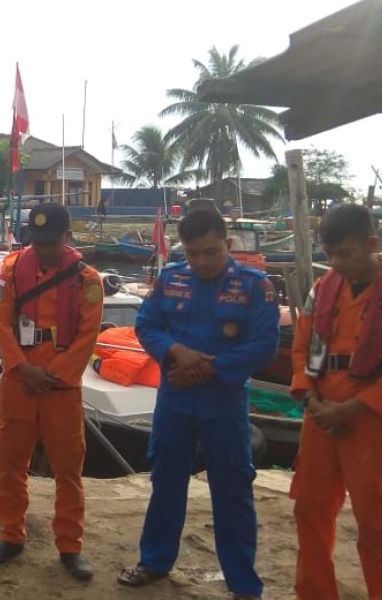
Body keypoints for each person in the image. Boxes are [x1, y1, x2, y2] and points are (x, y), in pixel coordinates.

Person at [118, 207, 279, 600]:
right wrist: (175, 351)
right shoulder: (171, 280)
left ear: (229, 243)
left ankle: (243, 584)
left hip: (223, 399)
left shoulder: (255, 286)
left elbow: (264, 345)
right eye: (193, 253)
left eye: (211, 251)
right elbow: (147, 325)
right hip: (175, 396)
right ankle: (154, 561)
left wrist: (208, 368)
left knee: (233, 487)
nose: (202, 261)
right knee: (166, 479)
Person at [289, 204, 382, 600]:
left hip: (374, 421)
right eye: (330, 254)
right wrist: (312, 398)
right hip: (320, 414)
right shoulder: (324, 288)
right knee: (310, 509)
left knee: (381, 524)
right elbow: (304, 345)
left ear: (372, 244)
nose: (336, 263)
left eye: (345, 253)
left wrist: (350, 408)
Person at [0, 202, 102, 581]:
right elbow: (0, 321)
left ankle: (70, 545)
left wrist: (53, 375)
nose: (44, 249)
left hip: (60, 387)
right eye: (38, 241)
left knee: (68, 469)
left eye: (51, 241)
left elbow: (88, 335)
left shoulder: (88, 280)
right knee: (11, 463)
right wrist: (21, 366)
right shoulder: (13, 269)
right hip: (20, 380)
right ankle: (11, 534)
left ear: (67, 237)